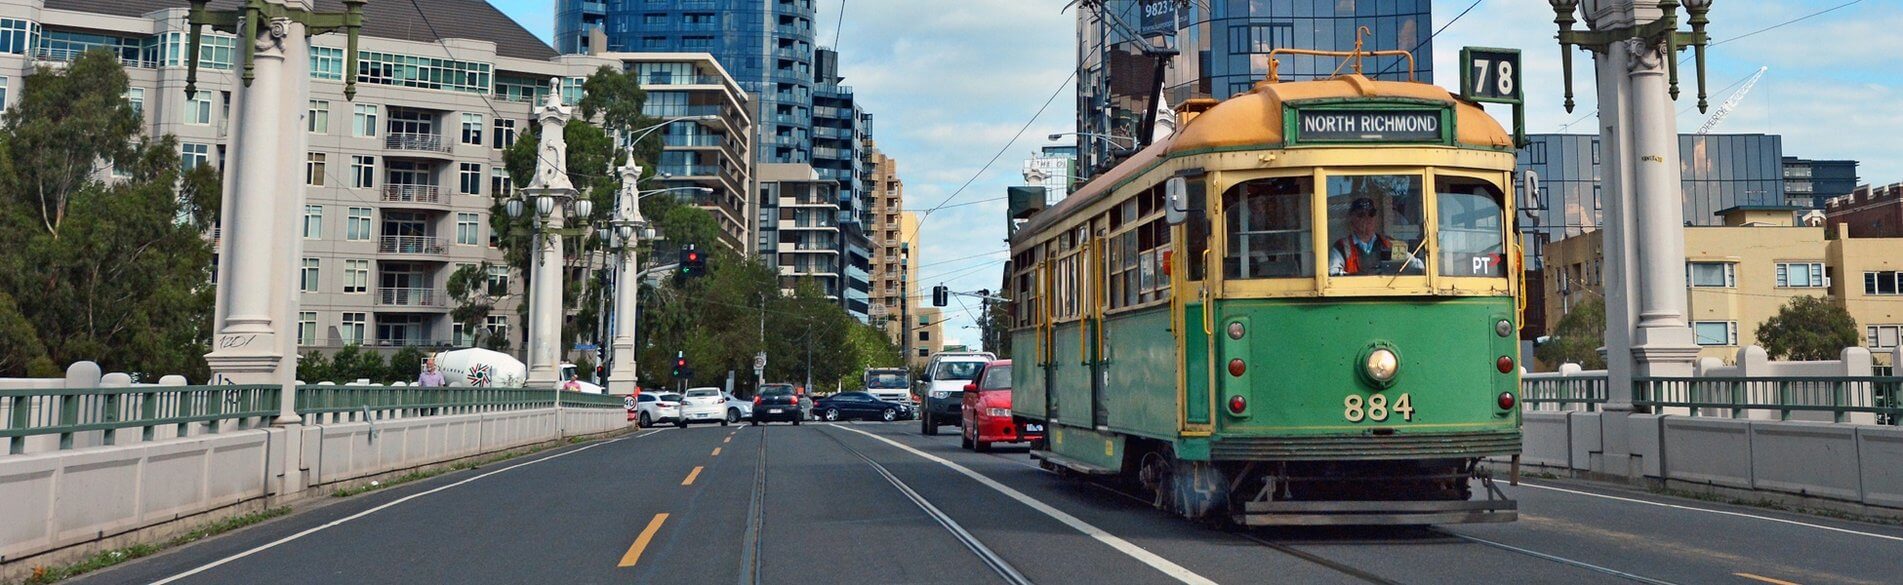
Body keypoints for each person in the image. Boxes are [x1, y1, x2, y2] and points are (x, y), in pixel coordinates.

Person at [1328, 197, 1422, 276]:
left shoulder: (1388, 244)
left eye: (1371, 214)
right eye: (1361, 215)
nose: (1367, 219)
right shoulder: (1341, 247)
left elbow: (1416, 264)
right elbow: (1333, 273)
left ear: (1376, 218)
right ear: (1351, 220)